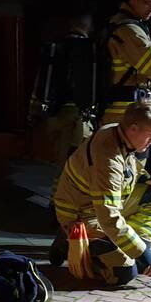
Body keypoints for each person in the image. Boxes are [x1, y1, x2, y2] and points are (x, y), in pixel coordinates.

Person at [48, 100, 151, 284]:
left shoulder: (116, 130)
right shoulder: (108, 158)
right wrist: (144, 255)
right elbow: (109, 217)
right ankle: (69, 242)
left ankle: (131, 249)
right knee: (125, 273)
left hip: (101, 205)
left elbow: (126, 167)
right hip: (83, 215)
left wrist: (146, 178)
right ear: (133, 129)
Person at [29, 10, 96, 199]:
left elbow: (40, 81)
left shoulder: (54, 48)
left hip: (55, 114)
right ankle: (68, 205)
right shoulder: (90, 49)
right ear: (88, 27)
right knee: (80, 164)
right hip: (81, 115)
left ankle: (55, 203)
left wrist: (34, 111)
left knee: (61, 164)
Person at [97, 0, 151, 126]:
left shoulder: (120, 23)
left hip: (125, 113)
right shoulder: (129, 29)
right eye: (148, 3)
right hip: (126, 116)